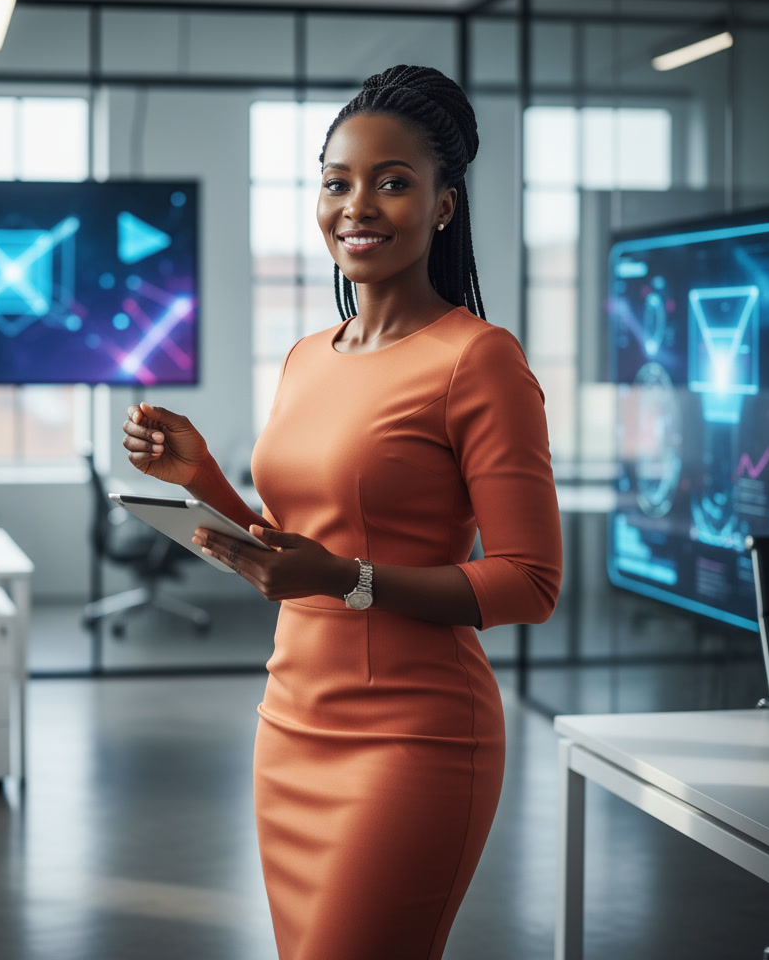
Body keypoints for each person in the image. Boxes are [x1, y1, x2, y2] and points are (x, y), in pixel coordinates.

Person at [121, 64, 563, 960]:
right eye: (338, 182)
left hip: (413, 738)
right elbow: (289, 552)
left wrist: (344, 581)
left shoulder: (479, 361)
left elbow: (531, 582)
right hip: (289, 724)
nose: (357, 205)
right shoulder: (305, 357)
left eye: (392, 182)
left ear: (444, 205)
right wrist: (204, 479)